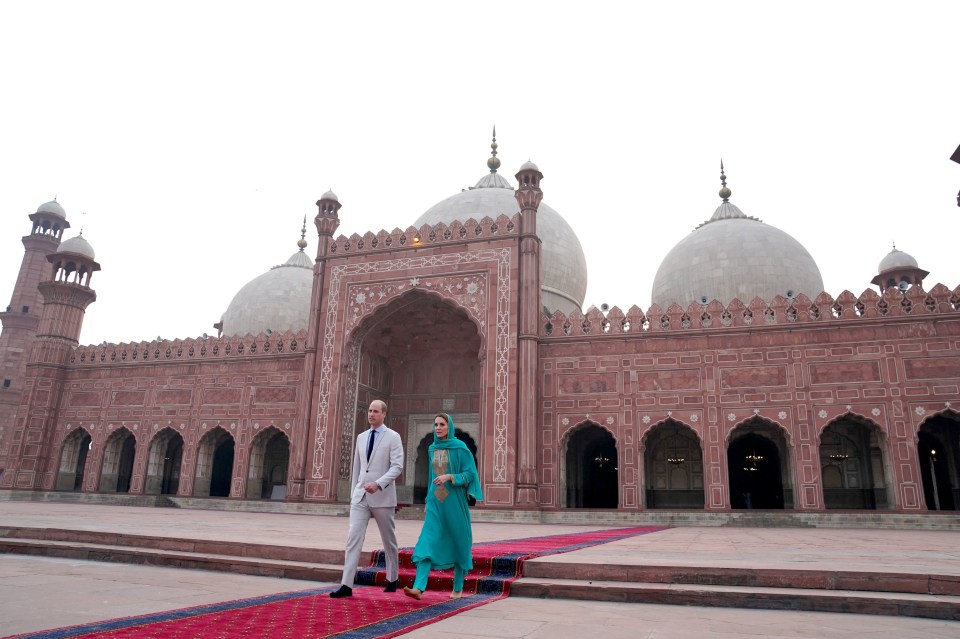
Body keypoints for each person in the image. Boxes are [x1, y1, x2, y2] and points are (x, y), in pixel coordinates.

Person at [403, 412, 482, 600]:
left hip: (455, 503)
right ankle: (418, 588)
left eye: (442, 424)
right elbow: (432, 477)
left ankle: (457, 587)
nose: (438, 428)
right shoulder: (432, 449)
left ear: (449, 427)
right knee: (426, 542)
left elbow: (470, 474)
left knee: (459, 542)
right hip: (436, 503)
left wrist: (450, 477)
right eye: (436, 424)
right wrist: (429, 500)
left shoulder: (460, 448)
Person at [330, 399, 404, 598]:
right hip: (361, 495)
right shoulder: (361, 437)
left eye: (375, 411)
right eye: (370, 411)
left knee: (388, 540)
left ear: (384, 414)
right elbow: (358, 467)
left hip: (382, 495)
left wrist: (378, 483)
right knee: (353, 539)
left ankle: (392, 577)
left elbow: (397, 467)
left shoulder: (393, 437)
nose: (371, 414)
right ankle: (346, 584)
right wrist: (355, 492)